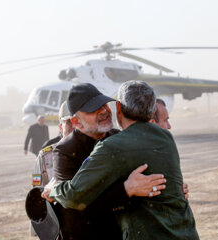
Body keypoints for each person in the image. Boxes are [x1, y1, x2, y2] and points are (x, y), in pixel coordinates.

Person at [49, 80, 199, 240]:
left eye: (104, 105)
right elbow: (74, 208)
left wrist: (171, 187)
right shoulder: (65, 150)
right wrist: (126, 190)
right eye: (93, 110)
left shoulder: (117, 138)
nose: (103, 111)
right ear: (76, 121)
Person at [32, 102, 73, 187]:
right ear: (61, 127)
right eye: (69, 122)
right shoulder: (44, 156)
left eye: (79, 121)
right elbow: (36, 188)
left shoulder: (97, 152)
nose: (75, 126)